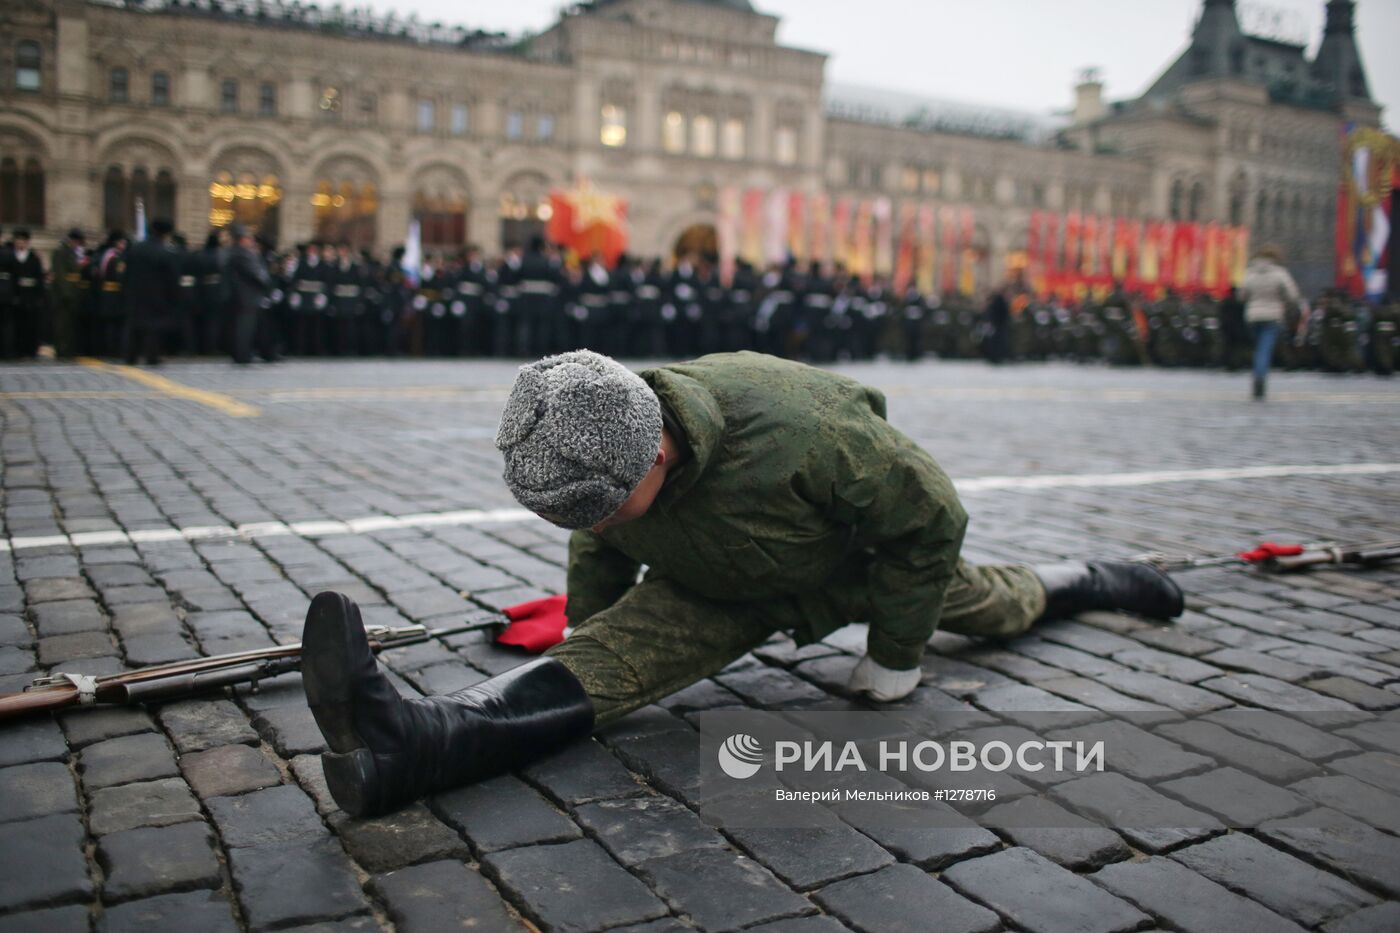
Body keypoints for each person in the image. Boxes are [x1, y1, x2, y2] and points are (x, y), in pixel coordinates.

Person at [298, 349, 1186, 816]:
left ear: (655, 448)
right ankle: (410, 742)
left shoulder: (812, 428)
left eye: (609, 507)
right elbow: (601, 547)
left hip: (857, 571)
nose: (602, 525)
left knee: (997, 604)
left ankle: (1090, 578)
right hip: (714, 586)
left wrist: (897, 657)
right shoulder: (608, 460)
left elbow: (931, 522)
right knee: (602, 665)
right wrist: (592, 637)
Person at [1240, 245, 1302, 399]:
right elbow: (1293, 295)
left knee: (1258, 348)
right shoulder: (1279, 273)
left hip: (1253, 316)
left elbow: (1242, 295)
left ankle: (1257, 373)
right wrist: (1284, 303)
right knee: (1264, 349)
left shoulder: (1250, 272)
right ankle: (1260, 378)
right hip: (1272, 316)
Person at [120, 220, 180, 365]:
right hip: (157, 294)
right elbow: (171, 277)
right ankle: (152, 356)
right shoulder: (165, 252)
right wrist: (173, 295)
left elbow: (125, 273)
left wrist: (126, 289)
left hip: (135, 292)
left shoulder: (135, 248)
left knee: (133, 325)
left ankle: (130, 355)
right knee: (154, 327)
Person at [225, 224, 273, 365]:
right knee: (245, 328)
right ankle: (242, 355)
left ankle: (251, 353)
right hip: (247, 296)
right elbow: (257, 274)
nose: (251, 241)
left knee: (244, 326)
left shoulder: (233, 252)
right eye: (249, 238)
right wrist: (265, 279)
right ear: (242, 239)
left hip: (242, 296)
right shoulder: (243, 253)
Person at [48, 229, 89, 358]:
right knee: (62, 325)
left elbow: (76, 273)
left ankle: (69, 350)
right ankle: (61, 350)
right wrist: (67, 294)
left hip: (73, 293)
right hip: (63, 295)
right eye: (78, 242)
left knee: (70, 325)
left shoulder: (72, 253)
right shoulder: (60, 252)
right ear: (73, 240)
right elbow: (61, 275)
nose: (78, 245)